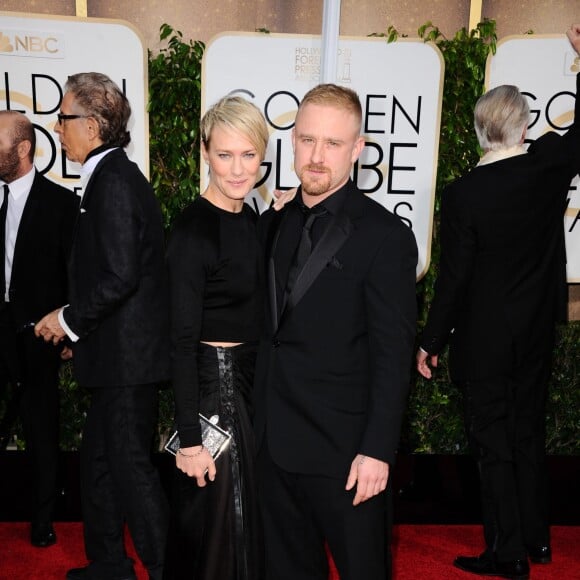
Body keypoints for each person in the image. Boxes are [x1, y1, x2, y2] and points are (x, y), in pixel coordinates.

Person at [416, 25, 580, 580]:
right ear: (525, 125)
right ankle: (536, 542)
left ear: (479, 130)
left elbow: (454, 279)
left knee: (494, 446)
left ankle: (507, 554)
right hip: (535, 333)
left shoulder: (465, 194)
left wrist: (430, 342)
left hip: (485, 341)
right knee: (527, 434)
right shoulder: (547, 168)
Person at [254, 83, 418, 580]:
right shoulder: (274, 223)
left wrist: (377, 450)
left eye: (332, 143)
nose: (316, 156)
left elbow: (394, 354)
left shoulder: (385, 235)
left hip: (346, 455)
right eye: (306, 140)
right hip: (274, 445)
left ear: (357, 149)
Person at [34, 72, 169, 580]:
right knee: (100, 469)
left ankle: (162, 570)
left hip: (127, 367)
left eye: (64, 117)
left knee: (132, 474)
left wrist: (67, 321)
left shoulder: (112, 183)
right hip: (117, 358)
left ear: (90, 126)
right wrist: (81, 334)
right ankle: (110, 565)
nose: (57, 126)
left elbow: (119, 277)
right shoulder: (111, 178)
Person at [162, 95, 269, 580]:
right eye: (225, 155)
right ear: (204, 151)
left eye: (249, 155)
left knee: (242, 527)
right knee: (219, 530)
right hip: (213, 391)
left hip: (247, 387)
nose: (237, 169)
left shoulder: (249, 217)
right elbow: (180, 345)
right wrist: (189, 441)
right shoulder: (192, 232)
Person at [0, 110, 78, 547]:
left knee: (40, 427)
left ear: (22, 149)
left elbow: (73, 273)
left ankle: (42, 520)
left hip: (37, 331)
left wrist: (68, 329)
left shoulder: (61, 203)